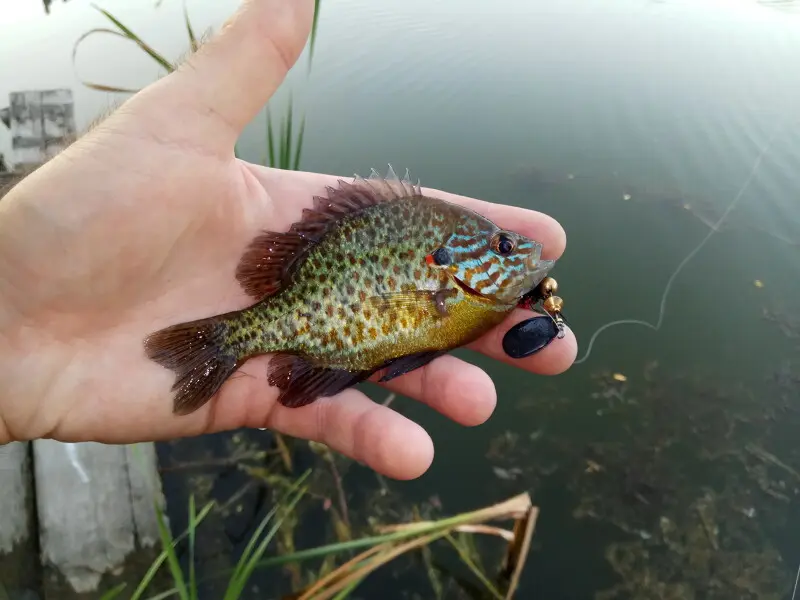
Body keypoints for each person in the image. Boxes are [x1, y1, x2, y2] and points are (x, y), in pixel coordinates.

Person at [0, 0, 576, 481]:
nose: (518, 254)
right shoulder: (451, 288)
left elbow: (414, 335)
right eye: (502, 248)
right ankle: (227, 341)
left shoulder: (463, 294)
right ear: (452, 263)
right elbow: (410, 328)